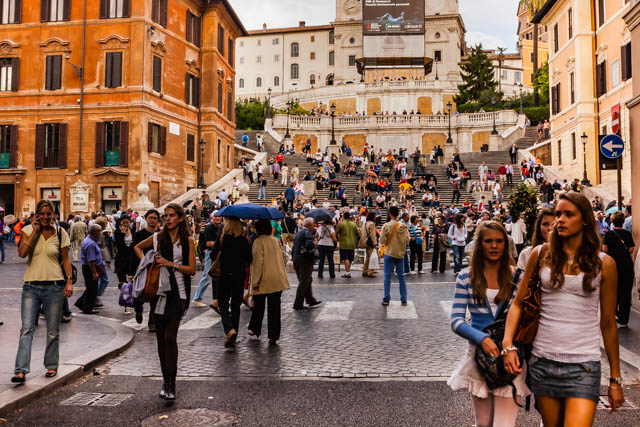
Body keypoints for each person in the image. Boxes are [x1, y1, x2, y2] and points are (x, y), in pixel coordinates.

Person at [503, 193, 625, 425]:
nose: (560, 220)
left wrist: (615, 379)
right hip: (543, 361)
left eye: (569, 214)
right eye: (558, 214)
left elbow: (608, 323)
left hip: (584, 365)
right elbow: (517, 303)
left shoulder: (605, 264)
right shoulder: (540, 254)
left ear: (586, 220)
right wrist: (507, 344)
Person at [448, 221, 528, 427]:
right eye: (488, 241)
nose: (494, 246)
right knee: (482, 424)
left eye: (499, 241)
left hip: (510, 357)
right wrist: (481, 338)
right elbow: (456, 320)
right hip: (479, 357)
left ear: (505, 244)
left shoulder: (518, 277)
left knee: (504, 425)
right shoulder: (466, 276)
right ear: (480, 245)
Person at [134, 203, 196, 400]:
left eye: (171, 215)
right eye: (166, 216)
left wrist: (171, 264)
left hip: (179, 294)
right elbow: (137, 247)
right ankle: (165, 382)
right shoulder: (157, 238)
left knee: (170, 338)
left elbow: (192, 269)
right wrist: (148, 262)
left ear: (180, 218)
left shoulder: (187, 241)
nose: (167, 219)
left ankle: (173, 381)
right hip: (159, 293)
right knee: (161, 340)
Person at [12, 200, 73, 384]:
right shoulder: (28, 231)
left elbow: (66, 259)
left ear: (54, 215)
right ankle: (21, 370)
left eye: (49, 214)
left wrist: (68, 281)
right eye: (43, 214)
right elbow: (22, 253)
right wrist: (35, 231)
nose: (46, 217)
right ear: (37, 214)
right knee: (26, 328)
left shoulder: (61, 233)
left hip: (54, 286)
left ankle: (51, 365)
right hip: (31, 286)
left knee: (53, 330)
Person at [209, 217, 252, 348]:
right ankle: (233, 335)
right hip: (239, 275)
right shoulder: (244, 240)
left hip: (224, 274)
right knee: (235, 305)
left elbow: (212, 255)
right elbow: (249, 258)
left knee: (222, 303)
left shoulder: (222, 238)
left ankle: (229, 330)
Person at [247, 219, 291, 345]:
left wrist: (254, 282)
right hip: (278, 279)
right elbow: (284, 257)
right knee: (274, 308)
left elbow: (258, 263)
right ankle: (274, 335)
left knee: (259, 306)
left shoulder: (258, 242)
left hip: (263, 279)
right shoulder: (276, 240)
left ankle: (255, 328)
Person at [603, 211, 635, 328]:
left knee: (613, 291)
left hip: (613, 266)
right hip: (626, 266)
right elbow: (631, 249)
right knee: (625, 292)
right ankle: (623, 320)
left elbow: (605, 249)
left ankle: (613, 315)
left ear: (612, 221)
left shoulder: (609, 234)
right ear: (623, 221)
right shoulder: (627, 234)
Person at [132, 209, 161, 331]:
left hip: (156, 268)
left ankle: (152, 322)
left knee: (155, 293)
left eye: (155, 218)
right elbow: (133, 252)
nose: (153, 220)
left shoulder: (161, 234)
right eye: (150, 218)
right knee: (140, 291)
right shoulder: (139, 235)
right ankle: (138, 310)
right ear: (146, 219)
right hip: (142, 266)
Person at [380, 206, 410, 306]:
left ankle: (386, 298)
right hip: (400, 254)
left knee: (387, 276)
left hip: (389, 253)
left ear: (390, 214)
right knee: (401, 277)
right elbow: (407, 239)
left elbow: (382, 241)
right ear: (398, 214)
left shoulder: (386, 225)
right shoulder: (403, 226)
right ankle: (404, 299)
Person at [292, 218, 322, 310]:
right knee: (304, 282)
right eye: (313, 225)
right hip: (304, 261)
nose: (314, 227)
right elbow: (309, 247)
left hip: (296, 260)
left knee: (307, 280)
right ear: (309, 225)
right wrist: (315, 244)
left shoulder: (298, 233)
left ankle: (310, 299)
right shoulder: (307, 233)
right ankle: (298, 304)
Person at [74, 224, 105, 315]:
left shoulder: (89, 240)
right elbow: (91, 260)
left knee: (90, 287)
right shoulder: (91, 243)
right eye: (99, 231)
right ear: (95, 232)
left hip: (89, 267)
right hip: (90, 268)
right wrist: (94, 272)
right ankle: (87, 308)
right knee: (92, 289)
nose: (101, 234)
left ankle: (81, 303)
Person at [192, 213, 220, 308]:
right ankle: (197, 298)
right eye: (216, 216)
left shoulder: (219, 227)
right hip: (210, 253)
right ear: (212, 217)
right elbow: (208, 243)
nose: (218, 218)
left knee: (213, 276)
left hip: (216, 253)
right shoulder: (209, 228)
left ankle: (215, 299)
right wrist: (221, 242)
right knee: (207, 276)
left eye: (219, 216)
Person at [517, 208, 555, 275]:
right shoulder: (526, 254)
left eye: (554, 224)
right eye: (545, 224)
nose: (550, 228)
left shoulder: (568, 255)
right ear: (538, 227)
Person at [114, 214, 136, 314]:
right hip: (121, 261)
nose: (126, 224)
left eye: (128, 222)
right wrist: (123, 234)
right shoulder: (117, 232)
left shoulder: (134, 232)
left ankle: (132, 301)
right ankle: (126, 305)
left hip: (131, 260)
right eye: (124, 223)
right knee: (123, 283)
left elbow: (135, 246)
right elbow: (118, 246)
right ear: (120, 223)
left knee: (132, 282)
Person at [336, 211, 359, 278]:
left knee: (345, 258)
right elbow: (357, 233)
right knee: (350, 258)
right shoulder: (353, 224)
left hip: (344, 244)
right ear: (349, 217)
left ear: (343, 217)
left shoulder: (341, 224)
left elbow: (336, 233)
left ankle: (348, 272)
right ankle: (347, 271)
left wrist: (338, 239)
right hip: (352, 243)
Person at [360, 211, 378, 277]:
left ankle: (364, 270)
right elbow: (372, 234)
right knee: (371, 257)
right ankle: (370, 272)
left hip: (365, 242)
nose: (375, 217)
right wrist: (375, 243)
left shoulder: (365, 223)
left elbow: (361, 232)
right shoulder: (372, 224)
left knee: (367, 257)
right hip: (370, 242)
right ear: (373, 217)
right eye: (375, 216)